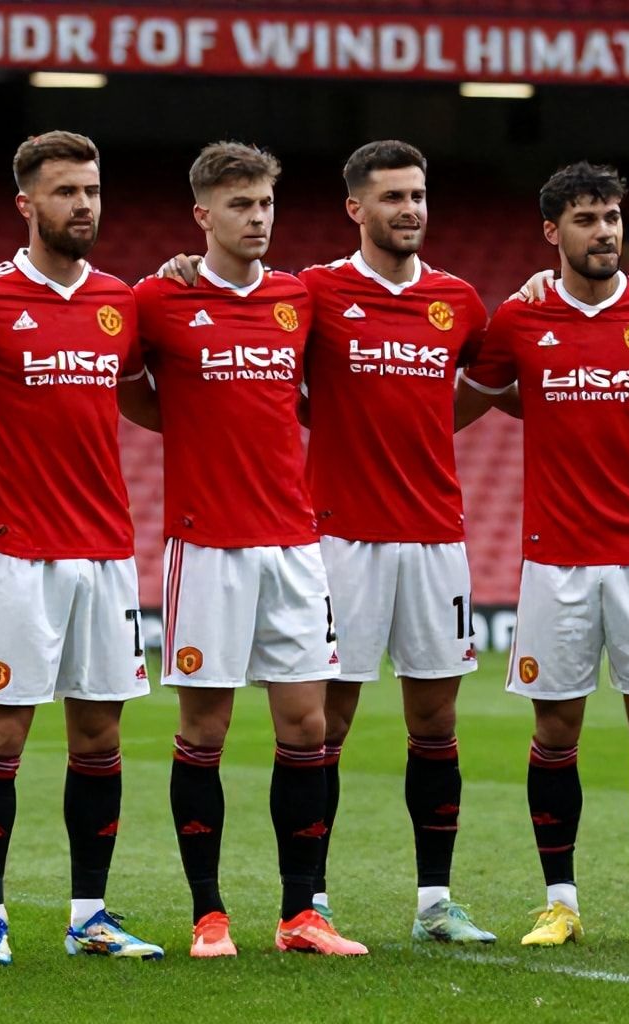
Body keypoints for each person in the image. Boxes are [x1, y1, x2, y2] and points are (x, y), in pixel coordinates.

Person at [159, 140, 495, 944]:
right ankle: (313, 896)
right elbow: (242, 368)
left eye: (419, 195)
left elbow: (495, 380)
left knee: (436, 721)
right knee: (323, 723)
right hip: (334, 535)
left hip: (437, 533)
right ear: (357, 208)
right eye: (393, 198)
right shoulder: (312, 292)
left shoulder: (461, 300)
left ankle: (433, 902)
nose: (410, 209)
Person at [0, 130, 163, 966]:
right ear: (27, 204)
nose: (83, 205)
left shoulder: (123, 301)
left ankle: (89, 913)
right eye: (65, 192)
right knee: (4, 738)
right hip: (18, 552)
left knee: (100, 740)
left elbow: (145, 395)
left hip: (107, 551)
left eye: (91, 190)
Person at [123, 141, 365, 957]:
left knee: (306, 725)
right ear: (203, 216)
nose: (257, 219)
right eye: (239, 206)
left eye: (265, 204)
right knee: (206, 730)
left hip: (296, 544)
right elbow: (114, 382)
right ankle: (208, 912)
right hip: (206, 547)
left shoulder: (300, 297)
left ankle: (302, 912)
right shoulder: (159, 299)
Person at [460, 162, 629, 948]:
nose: (603, 232)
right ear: (552, 233)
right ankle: (559, 900)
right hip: (554, 558)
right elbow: (463, 397)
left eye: (611, 218)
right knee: (555, 732)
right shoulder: (518, 322)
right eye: (586, 219)